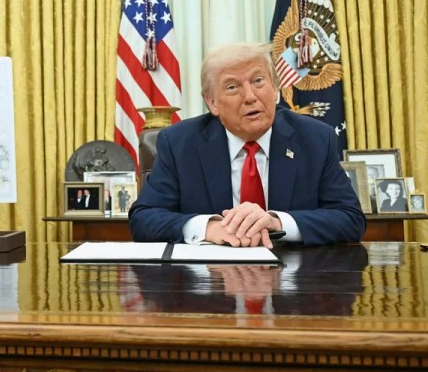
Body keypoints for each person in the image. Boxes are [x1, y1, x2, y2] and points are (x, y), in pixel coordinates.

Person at [129, 42, 366, 247]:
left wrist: (277, 222)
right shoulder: (180, 143)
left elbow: (350, 218)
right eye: (232, 87)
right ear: (212, 102)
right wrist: (208, 228)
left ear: (275, 89)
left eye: (259, 81)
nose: (250, 96)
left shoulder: (315, 139)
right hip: (209, 288)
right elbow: (144, 218)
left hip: (296, 283)